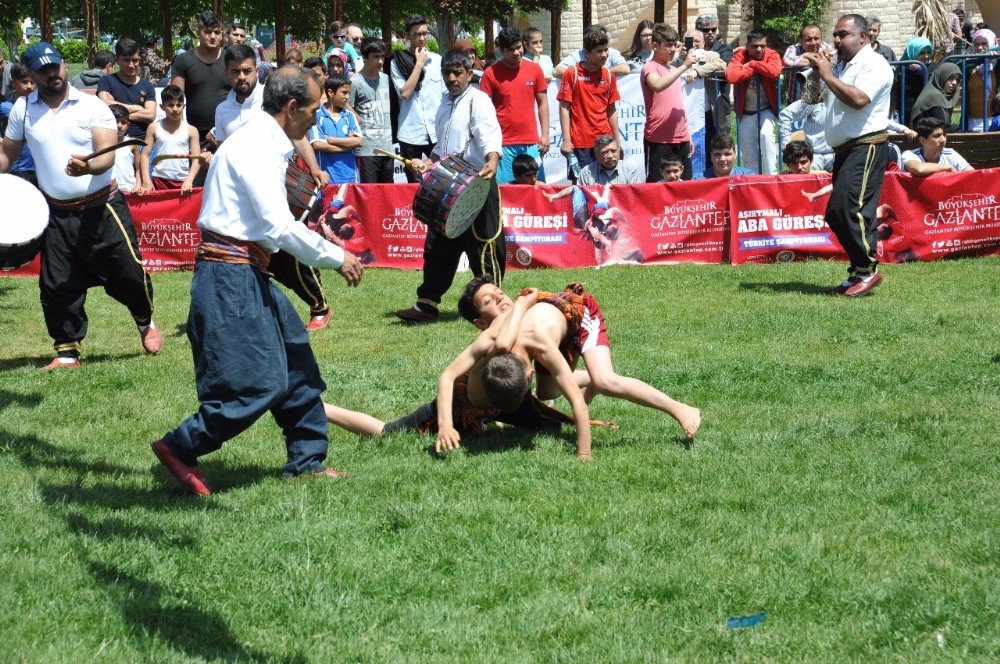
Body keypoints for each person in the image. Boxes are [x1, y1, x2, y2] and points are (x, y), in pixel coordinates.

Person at [151, 66, 364, 496]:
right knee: (259, 381)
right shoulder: (254, 146)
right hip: (228, 274)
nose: (315, 120)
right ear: (290, 107)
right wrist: (337, 256)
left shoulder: (266, 141)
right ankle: (181, 445)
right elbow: (277, 227)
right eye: (313, 111)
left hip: (248, 269)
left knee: (297, 362)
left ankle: (306, 460)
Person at [1, 42, 161, 369]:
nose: (53, 75)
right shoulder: (23, 109)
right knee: (57, 283)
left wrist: (88, 167)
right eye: (43, 71)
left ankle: (144, 320)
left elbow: (106, 153)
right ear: (31, 74)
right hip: (57, 212)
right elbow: (7, 153)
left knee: (129, 273)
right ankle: (67, 351)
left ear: (63, 65)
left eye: (56, 67)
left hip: (103, 206)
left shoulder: (91, 107)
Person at [454, 276, 702, 457]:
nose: (500, 299)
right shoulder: (501, 340)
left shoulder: (535, 344)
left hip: (579, 315)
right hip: (553, 329)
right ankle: (590, 380)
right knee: (547, 393)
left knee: (605, 380)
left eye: (499, 294)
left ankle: (679, 408)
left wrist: (584, 454)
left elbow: (577, 403)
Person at [204, 43, 334, 333]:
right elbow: (228, 148)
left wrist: (313, 168)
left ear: (256, 69)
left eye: (247, 70)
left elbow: (298, 134)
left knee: (289, 249)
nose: (242, 77)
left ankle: (318, 305)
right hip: (243, 204)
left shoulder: (272, 98)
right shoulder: (223, 109)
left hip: (278, 182)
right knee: (275, 250)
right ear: (226, 73)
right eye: (235, 71)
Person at [395, 49, 504, 323]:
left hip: (479, 182)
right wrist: (427, 163)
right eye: (447, 73)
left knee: (484, 245)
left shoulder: (479, 100)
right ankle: (427, 305)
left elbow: (489, 133)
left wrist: (492, 160)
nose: (452, 78)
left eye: (458, 73)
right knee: (438, 245)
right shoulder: (444, 103)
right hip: (448, 184)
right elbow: (441, 147)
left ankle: (493, 305)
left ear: (469, 74)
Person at [801, 14, 894, 297]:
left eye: (844, 35)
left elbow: (858, 99)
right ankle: (858, 271)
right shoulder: (845, 65)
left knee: (849, 209)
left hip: (866, 146)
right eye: (836, 35)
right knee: (835, 213)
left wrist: (829, 74)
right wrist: (819, 75)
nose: (836, 40)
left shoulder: (875, 65)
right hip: (846, 149)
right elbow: (812, 100)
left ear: (863, 37)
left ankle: (868, 270)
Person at [479, 27, 550, 184]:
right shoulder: (490, 74)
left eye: (519, 47)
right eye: (511, 49)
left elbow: (543, 103)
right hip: (502, 144)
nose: (517, 52)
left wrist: (545, 135)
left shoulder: (535, 69)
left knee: (536, 190)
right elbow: (482, 112)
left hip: (532, 143)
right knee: (506, 194)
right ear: (502, 51)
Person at [557, 29, 621, 181]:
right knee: (582, 187)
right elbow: (564, 107)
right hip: (580, 142)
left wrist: (616, 139)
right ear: (587, 52)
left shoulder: (609, 75)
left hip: (604, 142)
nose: (604, 54)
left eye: (606, 50)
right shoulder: (571, 73)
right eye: (599, 51)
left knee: (607, 185)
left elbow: (611, 109)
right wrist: (567, 139)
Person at [390, 15, 445, 183]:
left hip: (436, 131)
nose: (421, 38)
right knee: (413, 183)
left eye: (424, 33)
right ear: (407, 36)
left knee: (440, 179)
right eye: (416, 34)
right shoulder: (397, 62)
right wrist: (419, 63)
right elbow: (405, 93)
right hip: (410, 132)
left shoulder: (437, 60)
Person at [641, 23, 698, 181]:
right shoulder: (650, 67)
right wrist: (685, 65)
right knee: (656, 186)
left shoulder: (673, 70)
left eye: (674, 45)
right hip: (659, 138)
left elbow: (678, 106)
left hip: (682, 137)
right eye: (667, 45)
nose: (673, 49)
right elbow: (658, 85)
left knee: (685, 184)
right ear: (654, 46)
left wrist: (688, 136)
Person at [170, 10, 231, 145]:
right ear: (198, 33)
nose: (213, 36)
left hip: (227, 132)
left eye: (217, 32)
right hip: (195, 134)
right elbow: (174, 98)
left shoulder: (230, 60)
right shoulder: (183, 60)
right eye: (208, 32)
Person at [726, 29, 782, 174]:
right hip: (746, 111)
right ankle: (753, 180)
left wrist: (752, 65)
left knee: (766, 135)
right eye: (755, 46)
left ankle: (771, 177)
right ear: (747, 46)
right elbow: (731, 76)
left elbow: (775, 71)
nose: (759, 49)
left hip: (766, 108)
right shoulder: (740, 54)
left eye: (762, 46)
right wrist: (755, 69)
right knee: (748, 150)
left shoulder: (771, 54)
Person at [676, 29, 723, 180]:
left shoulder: (710, 55)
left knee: (707, 152)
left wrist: (697, 71)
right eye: (690, 40)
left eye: (697, 40)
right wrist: (681, 57)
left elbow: (723, 65)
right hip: (682, 115)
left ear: (703, 42)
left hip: (706, 114)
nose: (694, 44)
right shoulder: (677, 57)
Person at [138, 85, 201, 194]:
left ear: (184, 106)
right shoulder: (154, 127)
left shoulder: (191, 130)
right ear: (162, 107)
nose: (175, 109)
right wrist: (146, 179)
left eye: (179, 105)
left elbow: (197, 158)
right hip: (159, 180)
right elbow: (145, 154)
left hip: (183, 183)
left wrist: (189, 180)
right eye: (170, 105)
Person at [350, 38, 394, 183]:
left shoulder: (386, 78)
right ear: (364, 57)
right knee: (370, 195)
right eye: (376, 57)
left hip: (387, 148)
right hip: (366, 150)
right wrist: (356, 116)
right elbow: (345, 106)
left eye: (382, 56)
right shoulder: (355, 82)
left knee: (387, 194)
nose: (381, 61)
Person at [96, 39, 157, 140]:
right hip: (113, 140)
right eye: (126, 60)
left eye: (135, 60)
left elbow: (150, 115)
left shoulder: (147, 86)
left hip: (141, 141)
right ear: (117, 60)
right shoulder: (106, 81)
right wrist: (138, 108)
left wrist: (119, 114)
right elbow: (105, 105)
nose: (131, 65)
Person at [309, 74, 361, 184]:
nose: (347, 97)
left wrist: (330, 140)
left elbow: (358, 141)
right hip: (328, 179)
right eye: (344, 92)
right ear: (331, 93)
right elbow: (317, 145)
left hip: (351, 178)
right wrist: (347, 145)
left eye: (349, 93)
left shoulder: (349, 116)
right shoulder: (317, 116)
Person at [778, 77, 834, 171]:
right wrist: (786, 142)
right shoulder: (814, 99)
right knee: (800, 174)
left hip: (836, 153)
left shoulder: (844, 100)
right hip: (813, 156)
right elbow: (785, 114)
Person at [696, 14, 733, 146]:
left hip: (719, 107)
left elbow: (724, 67)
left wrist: (697, 69)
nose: (710, 32)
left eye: (713, 29)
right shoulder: (690, 49)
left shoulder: (724, 49)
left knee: (721, 146)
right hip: (695, 107)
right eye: (706, 30)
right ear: (698, 30)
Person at [0, 63, 36, 186]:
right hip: (19, 168)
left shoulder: (43, 106)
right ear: (13, 82)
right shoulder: (6, 107)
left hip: (41, 167)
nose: (30, 86)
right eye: (24, 82)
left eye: (33, 82)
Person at [901, 117, 973, 175]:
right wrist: (948, 167)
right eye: (937, 136)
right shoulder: (909, 155)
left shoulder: (950, 154)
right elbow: (919, 169)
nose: (943, 140)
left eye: (944, 135)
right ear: (922, 140)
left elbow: (972, 174)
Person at [553, 25, 631, 77]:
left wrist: (599, 74)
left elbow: (625, 68)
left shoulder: (613, 52)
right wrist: (583, 77)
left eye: (604, 37)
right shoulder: (577, 55)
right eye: (599, 51)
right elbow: (557, 71)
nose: (604, 54)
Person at [910, 62, 962, 129]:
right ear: (941, 77)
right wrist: (958, 128)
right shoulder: (934, 96)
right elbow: (941, 126)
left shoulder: (943, 96)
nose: (954, 83)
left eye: (957, 79)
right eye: (950, 78)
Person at [966, 29, 999, 131]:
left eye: (984, 43)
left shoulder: (997, 64)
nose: (980, 48)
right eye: (976, 44)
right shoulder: (968, 64)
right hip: (974, 123)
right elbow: (957, 66)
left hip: (996, 122)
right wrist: (983, 57)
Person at [577, 134, 642, 185]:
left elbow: (636, 198)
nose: (610, 156)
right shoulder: (585, 173)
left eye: (613, 151)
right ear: (596, 155)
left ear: (619, 152)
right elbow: (581, 200)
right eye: (605, 152)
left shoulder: (631, 171)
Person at [896, 37, 933, 126]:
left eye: (928, 52)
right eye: (922, 53)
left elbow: (932, 86)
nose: (926, 56)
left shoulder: (931, 68)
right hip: (904, 116)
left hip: (924, 115)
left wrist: (921, 72)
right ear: (913, 52)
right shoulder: (901, 68)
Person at [108, 104, 140, 193]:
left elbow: (138, 168)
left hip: (130, 189)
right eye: (116, 121)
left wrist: (138, 184)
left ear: (128, 125)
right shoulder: (101, 144)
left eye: (123, 122)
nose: (119, 125)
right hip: (111, 192)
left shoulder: (132, 143)